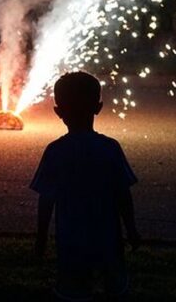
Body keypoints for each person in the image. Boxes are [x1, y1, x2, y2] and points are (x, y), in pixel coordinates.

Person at [30, 72, 140, 301]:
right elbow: (123, 194)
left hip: (71, 241)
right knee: (114, 289)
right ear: (98, 107)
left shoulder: (55, 151)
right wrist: (132, 230)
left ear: (58, 112)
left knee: (73, 292)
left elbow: (46, 200)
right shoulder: (110, 148)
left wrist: (40, 240)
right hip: (108, 239)